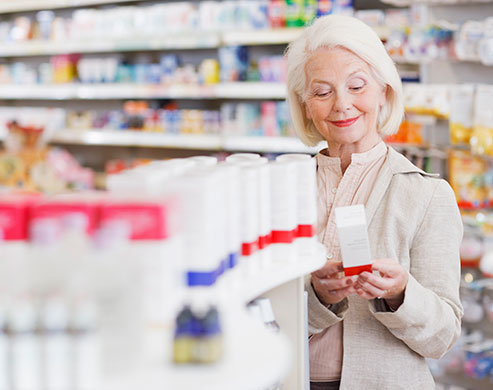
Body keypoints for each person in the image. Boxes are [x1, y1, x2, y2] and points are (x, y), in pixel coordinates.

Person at [285, 15, 463, 390]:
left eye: (357, 86)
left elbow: (442, 337)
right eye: (322, 92)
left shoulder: (427, 195)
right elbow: (258, 318)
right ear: (304, 106)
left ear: (383, 91)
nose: (342, 105)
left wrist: (400, 295)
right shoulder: (283, 188)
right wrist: (318, 298)